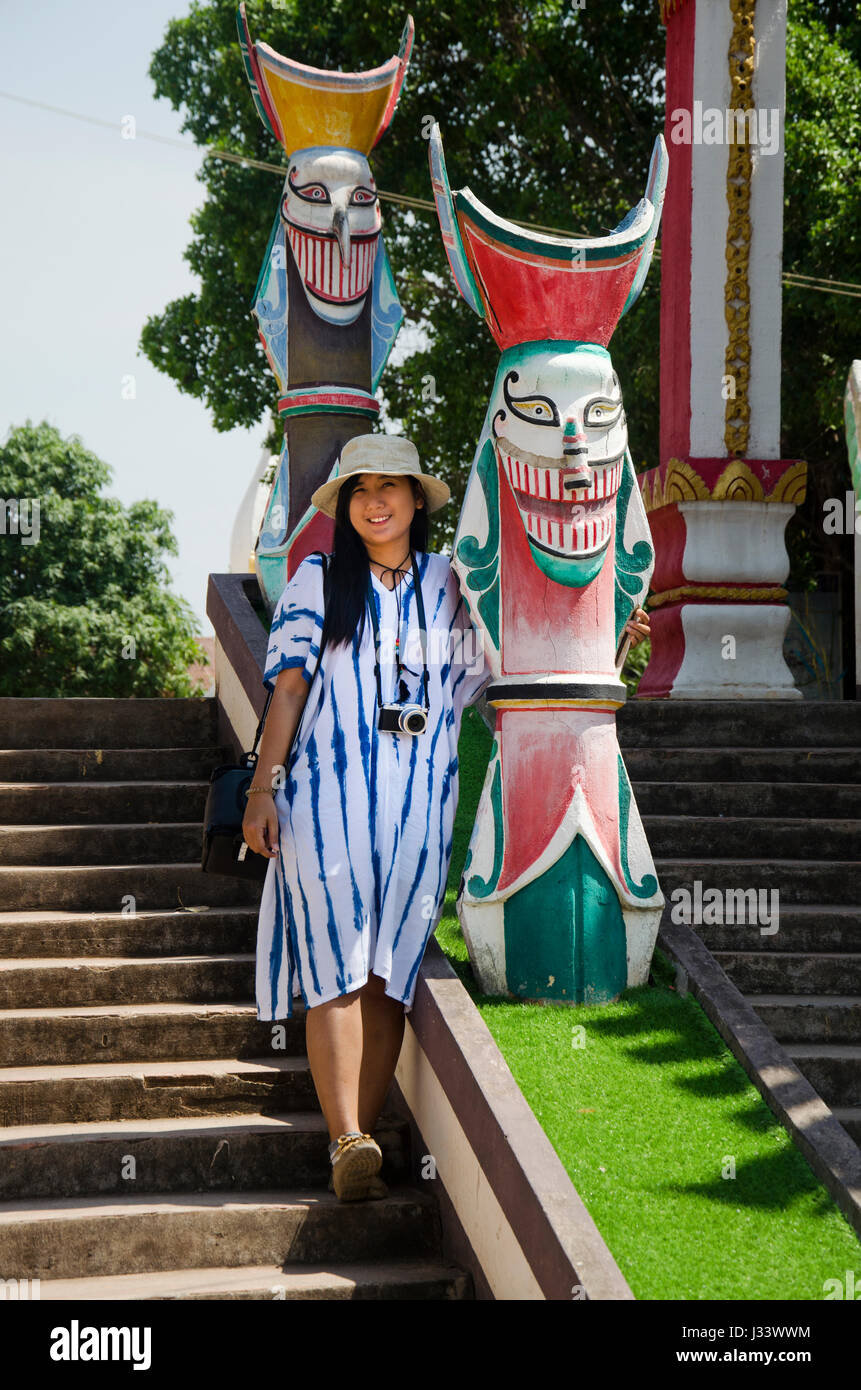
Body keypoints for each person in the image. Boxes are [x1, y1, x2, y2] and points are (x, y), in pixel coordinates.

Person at [242, 434, 650, 1202]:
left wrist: (607, 642)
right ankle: (346, 1135)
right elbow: (289, 692)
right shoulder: (317, 580)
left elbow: (518, 657)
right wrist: (262, 790)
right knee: (333, 961)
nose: (375, 501)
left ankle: (349, 1153)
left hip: (421, 797)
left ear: (416, 501)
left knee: (387, 972)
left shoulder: (452, 583)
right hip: (327, 795)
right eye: (359, 488)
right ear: (345, 505)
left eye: (390, 486)